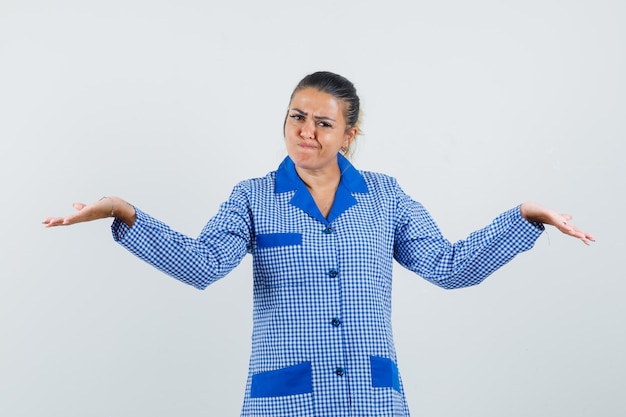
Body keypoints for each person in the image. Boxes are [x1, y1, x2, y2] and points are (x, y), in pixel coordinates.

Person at [43, 71, 594, 417]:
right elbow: (202, 264)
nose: (306, 130)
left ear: (349, 136)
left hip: (370, 398)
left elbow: (449, 267)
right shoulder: (254, 197)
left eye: (323, 123)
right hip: (285, 399)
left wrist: (524, 218)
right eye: (297, 116)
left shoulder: (385, 197)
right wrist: (124, 212)